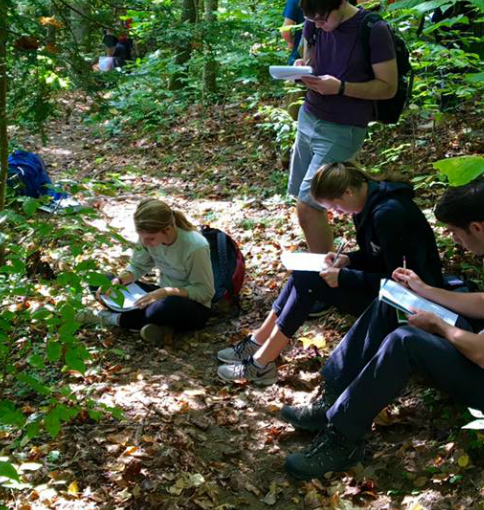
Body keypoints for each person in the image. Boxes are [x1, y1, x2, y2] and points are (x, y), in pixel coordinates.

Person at [280, 177, 484, 480]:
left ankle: (342, 439)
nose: (453, 240)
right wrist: (422, 290)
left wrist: (437, 324)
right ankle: (332, 397)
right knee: (395, 302)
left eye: (454, 232)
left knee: (406, 342)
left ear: (476, 228)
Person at [216, 162, 444, 385]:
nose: (337, 213)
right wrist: (348, 259)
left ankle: (261, 365)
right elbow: (375, 255)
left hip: (410, 304)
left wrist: (344, 276)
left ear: (347, 192)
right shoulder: (365, 204)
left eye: (336, 207)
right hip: (386, 289)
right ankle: (259, 342)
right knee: (302, 275)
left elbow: (397, 281)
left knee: (308, 283)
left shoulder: (388, 214)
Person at [288, 0, 398, 255]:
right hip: (309, 116)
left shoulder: (373, 29)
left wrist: (340, 88)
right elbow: (309, 56)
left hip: (343, 128)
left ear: (340, 2)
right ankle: (327, 266)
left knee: (309, 205)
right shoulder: (314, 23)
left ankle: (324, 279)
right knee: (302, 195)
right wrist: (302, 65)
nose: (319, 25)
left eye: (323, 18)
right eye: (313, 20)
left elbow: (388, 87)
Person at [92, 199, 215, 345]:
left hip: (191, 305)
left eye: (150, 238)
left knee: (159, 309)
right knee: (99, 281)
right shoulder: (148, 237)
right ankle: (160, 327)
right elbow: (137, 267)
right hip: (161, 293)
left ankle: (109, 318)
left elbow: (205, 292)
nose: (145, 243)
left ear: (168, 229)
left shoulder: (195, 247)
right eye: (142, 238)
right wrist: (118, 281)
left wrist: (166, 292)